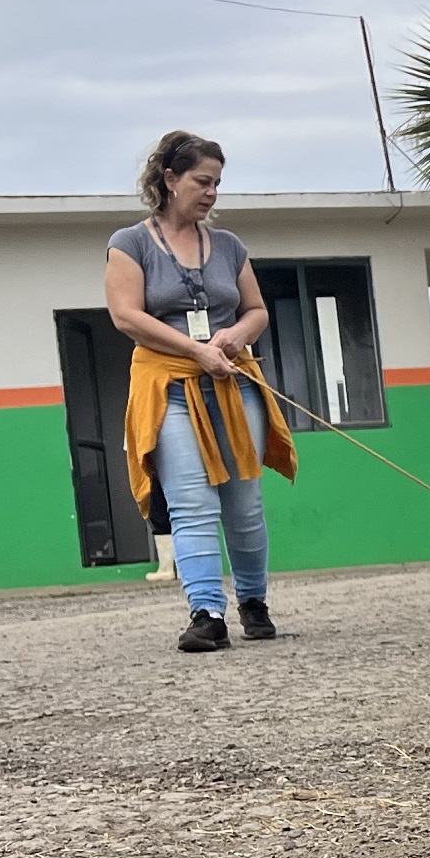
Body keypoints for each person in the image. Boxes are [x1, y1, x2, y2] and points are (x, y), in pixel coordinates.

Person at [105, 131, 297, 653]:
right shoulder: (130, 243)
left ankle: (254, 603)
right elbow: (126, 316)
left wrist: (234, 336)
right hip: (168, 386)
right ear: (170, 179)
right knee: (191, 503)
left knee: (245, 504)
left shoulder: (229, 246)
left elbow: (256, 311)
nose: (212, 193)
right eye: (202, 181)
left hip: (233, 383)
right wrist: (195, 351)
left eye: (217, 183)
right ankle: (207, 613)